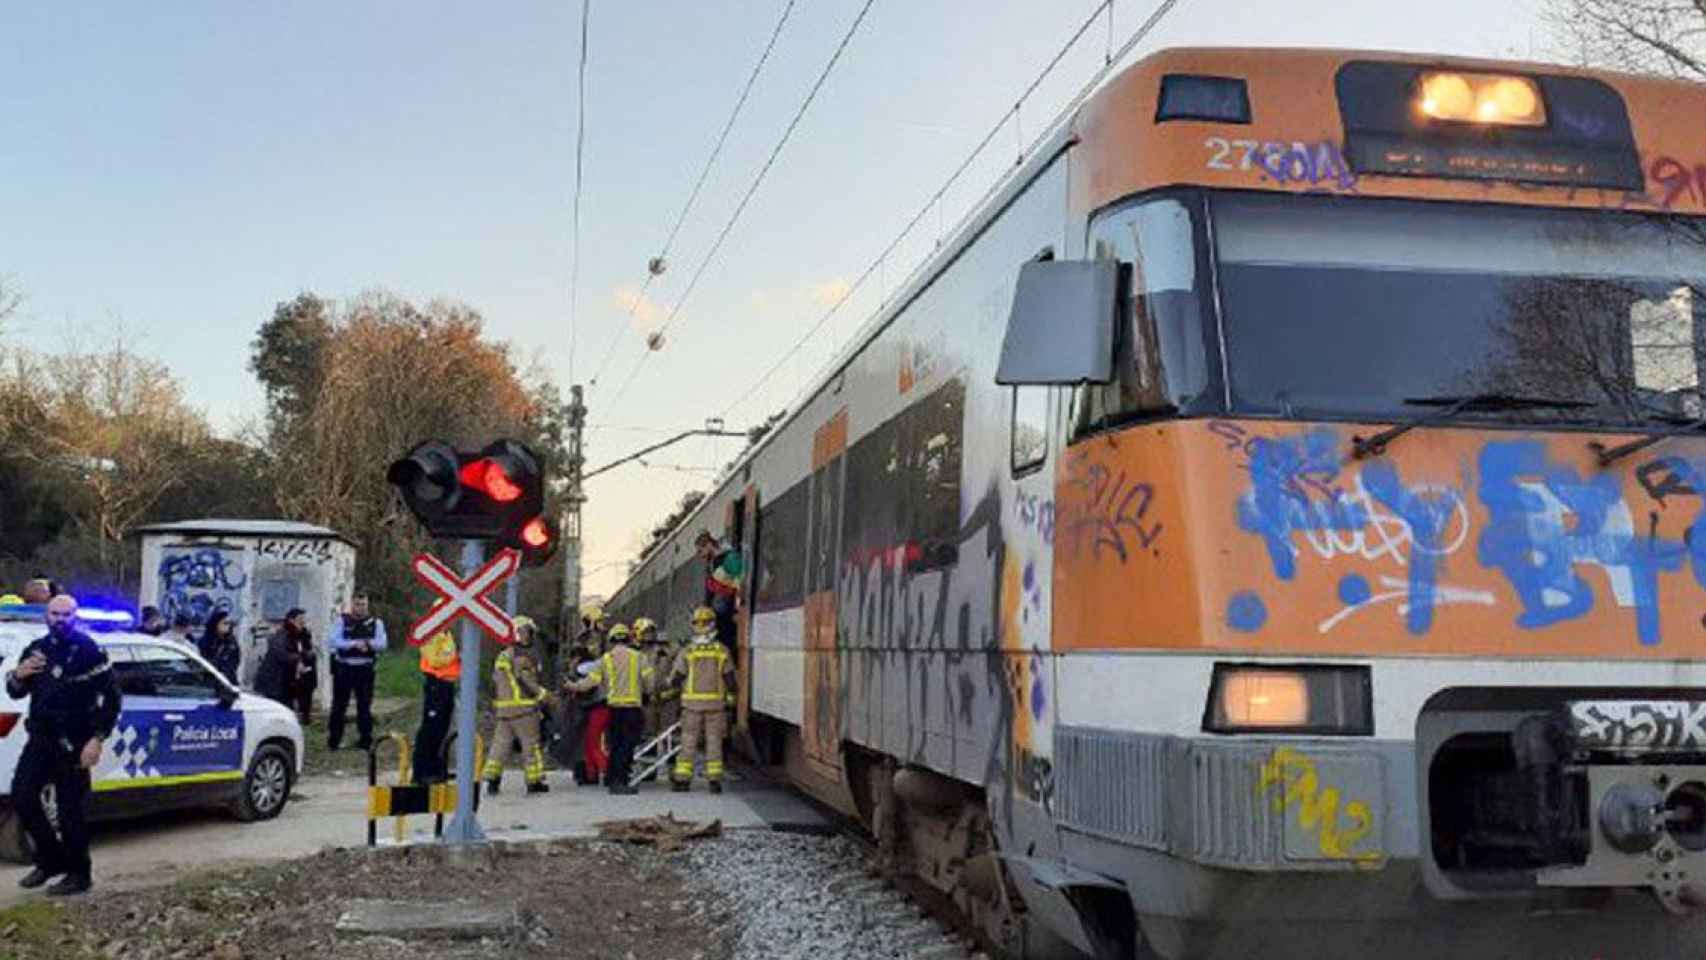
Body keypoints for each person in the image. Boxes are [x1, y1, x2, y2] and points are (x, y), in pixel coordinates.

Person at [6, 595, 121, 896]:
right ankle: (50, 860)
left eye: (66, 614)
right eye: (55, 614)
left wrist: (97, 738)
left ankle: (79, 873)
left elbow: (111, 699)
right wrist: (17, 676)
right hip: (41, 738)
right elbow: (16, 691)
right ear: (47, 616)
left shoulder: (89, 651)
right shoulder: (37, 649)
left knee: (70, 812)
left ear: (75, 616)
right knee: (22, 796)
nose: (60, 619)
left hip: (76, 741)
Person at [564, 622, 653, 795]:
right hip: (633, 708)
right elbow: (650, 682)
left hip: (613, 709)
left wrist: (572, 686)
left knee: (615, 745)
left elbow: (590, 683)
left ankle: (613, 778)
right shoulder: (639, 657)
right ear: (628, 639)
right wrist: (647, 693)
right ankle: (620, 782)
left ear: (611, 640)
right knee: (627, 746)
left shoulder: (605, 659)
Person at [482, 616, 551, 795]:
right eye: (528, 631)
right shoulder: (522, 657)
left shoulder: (503, 655)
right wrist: (544, 696)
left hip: (504, 710)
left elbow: (496, 682)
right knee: (531, 746)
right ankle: (534, 781)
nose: (530, 636)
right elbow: (526, 680)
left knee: (500, 745)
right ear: (521, 633)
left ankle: (493, 780)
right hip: (524, 709)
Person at [672, 606, 737, 794]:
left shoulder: (688, 651)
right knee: (714, 740)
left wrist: (671, 693)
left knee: (688, 740)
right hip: (716, 704)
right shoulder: (721, 650)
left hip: (691, 705)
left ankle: (683, 780)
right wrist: (732, 697)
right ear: (713, 624)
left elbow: (677, 677)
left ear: (693, 625)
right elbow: (730, 678)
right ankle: (714, 780)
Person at [327, 591, 387, 751]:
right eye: (357, 604)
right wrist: (353, 644)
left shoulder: (376, 623)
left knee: (364, 705)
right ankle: (334, 740)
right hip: (344, 667)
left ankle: (365, 740)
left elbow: (382, 643)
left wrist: (368, 644)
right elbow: (333, 641)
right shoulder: (342, 621)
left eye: (364, 605)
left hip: (365, 668)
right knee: (339, 706)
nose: (360, 608)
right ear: (352, 604)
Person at [413, 630, 459, 784]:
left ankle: (437, 769)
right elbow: (433, 660)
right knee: (430, 728)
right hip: (436, 683)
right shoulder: (431, 634)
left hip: (447, 684)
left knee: (442, 729)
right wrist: (452, 657)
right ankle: (422, 771)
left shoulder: (447, 635)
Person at [696, 531, 744, 651]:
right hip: (718, 617)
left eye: (700, 551)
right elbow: (709, 593)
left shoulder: (730, 558)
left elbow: (741, 584)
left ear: (708, 545)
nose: (700, 556)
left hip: (729, 616)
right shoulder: (711, 565)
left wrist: (738, 610)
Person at [253, 609, 307, 707]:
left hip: (285, 684)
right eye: (300, 619)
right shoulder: (283, 635)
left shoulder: (297, 635)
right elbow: (281, 654)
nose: (303, 622)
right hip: (274, 683)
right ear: (291, 621)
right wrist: (297, 659)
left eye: (303, 619)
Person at [196, 610, 242, 686]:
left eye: (229, 623)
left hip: (226, 682)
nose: (228, 626)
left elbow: (235, 662)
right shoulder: (206, 641)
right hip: (208, 681)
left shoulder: (231, 642)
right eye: (225, 623)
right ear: (216, 624)